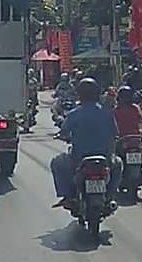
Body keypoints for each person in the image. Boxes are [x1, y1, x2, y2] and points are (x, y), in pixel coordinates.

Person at [50, 77, 119, 208]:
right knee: (118, 164)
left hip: (79, 158)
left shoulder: (74, 114)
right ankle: (111, 196)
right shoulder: (107, 113)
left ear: (80, 94)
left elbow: (64, 132)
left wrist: (62, 136)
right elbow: (115, 133)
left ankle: (67, 196)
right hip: (105, 157)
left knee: (57, 162)